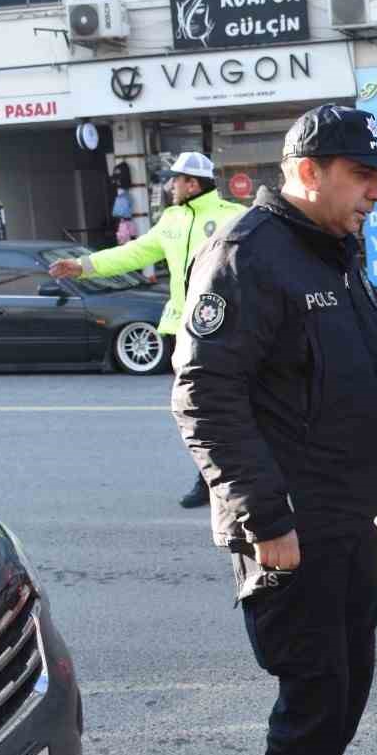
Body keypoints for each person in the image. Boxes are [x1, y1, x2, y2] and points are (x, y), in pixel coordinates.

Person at [171, 105, 377, 755]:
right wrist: (262, 518)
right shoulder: (249, 253)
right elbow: (204, 395)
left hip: (350, 515)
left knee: (348, 683)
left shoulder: (333, 251)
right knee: (312, 698)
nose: (375, 195)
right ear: (308, 172)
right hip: (290, 529)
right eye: (362, 177)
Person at [49, 152, 243, 508]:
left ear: (192, 183)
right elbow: (133, 254)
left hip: (221, 329)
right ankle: (210, 478)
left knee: (221, 407)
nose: (169, 186)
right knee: (195, 411)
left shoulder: (233, 217)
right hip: (180, 331)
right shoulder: (170, 219)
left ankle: (225, 478)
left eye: (175, 180)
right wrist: (82, 266)